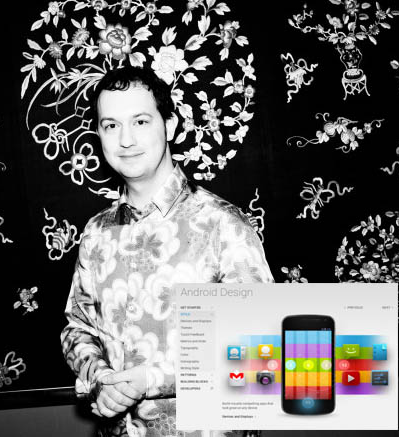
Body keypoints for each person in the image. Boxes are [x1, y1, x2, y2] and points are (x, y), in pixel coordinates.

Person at [61, 66, 273, 437]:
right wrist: (101, 378)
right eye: (111, 125)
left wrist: (152, 379)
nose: (126, 139)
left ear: (169, 126)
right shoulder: (96, 232)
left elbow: (264, 348)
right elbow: (77, 329)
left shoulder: (223, 224)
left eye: (141, 121)